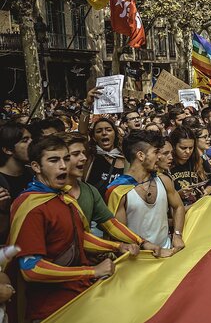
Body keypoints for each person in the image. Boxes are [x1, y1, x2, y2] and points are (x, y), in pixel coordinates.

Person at [9, 136, 138, 321]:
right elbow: (31, 269)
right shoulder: (32, 207)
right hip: (51, 310)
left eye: (66, 159)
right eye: (54, 160)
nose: (63, 166)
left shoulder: (63, 197)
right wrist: (92, 271)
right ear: (36, 167)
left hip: (78, 296)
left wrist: (118, 247)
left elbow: (77, 237)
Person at [56, 132, 159, 253]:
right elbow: (74, 238)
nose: (83, 158)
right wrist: (116, 247)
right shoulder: (47, 196)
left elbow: (110, 224)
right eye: (75, 154)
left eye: (84, 153)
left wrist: (142, 242)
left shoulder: (89, 191)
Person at [106, 130, 185, 256]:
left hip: (169, 253)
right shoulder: (118, 191)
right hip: (139, 262)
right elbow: (121, 234)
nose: (159, 157)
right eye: (155, 152)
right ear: (141, 156)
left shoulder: (164, 180)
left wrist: (177, 234)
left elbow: (178, 206)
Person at [168, 127, 211, 207]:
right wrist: (178, 195)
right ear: (173, 146)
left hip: (201, 206)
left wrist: (206, 191)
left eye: (191, 148)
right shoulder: (167, 165)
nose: (188, 152)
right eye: (183, 148)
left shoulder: (199, 161)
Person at [84, 118, 125, 198]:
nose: (104, 133)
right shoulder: (90, 157)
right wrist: (85, 107)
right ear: (94, 137)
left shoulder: (126, 159)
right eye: (99, 131)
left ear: (115, 134)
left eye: (108, 130)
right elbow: (82, 133)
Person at [0, 123, 31, 201]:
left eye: (31, 138)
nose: (31, 143)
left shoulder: (33, 173)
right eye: (25, 140)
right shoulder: (2, 185)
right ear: (8, 150)